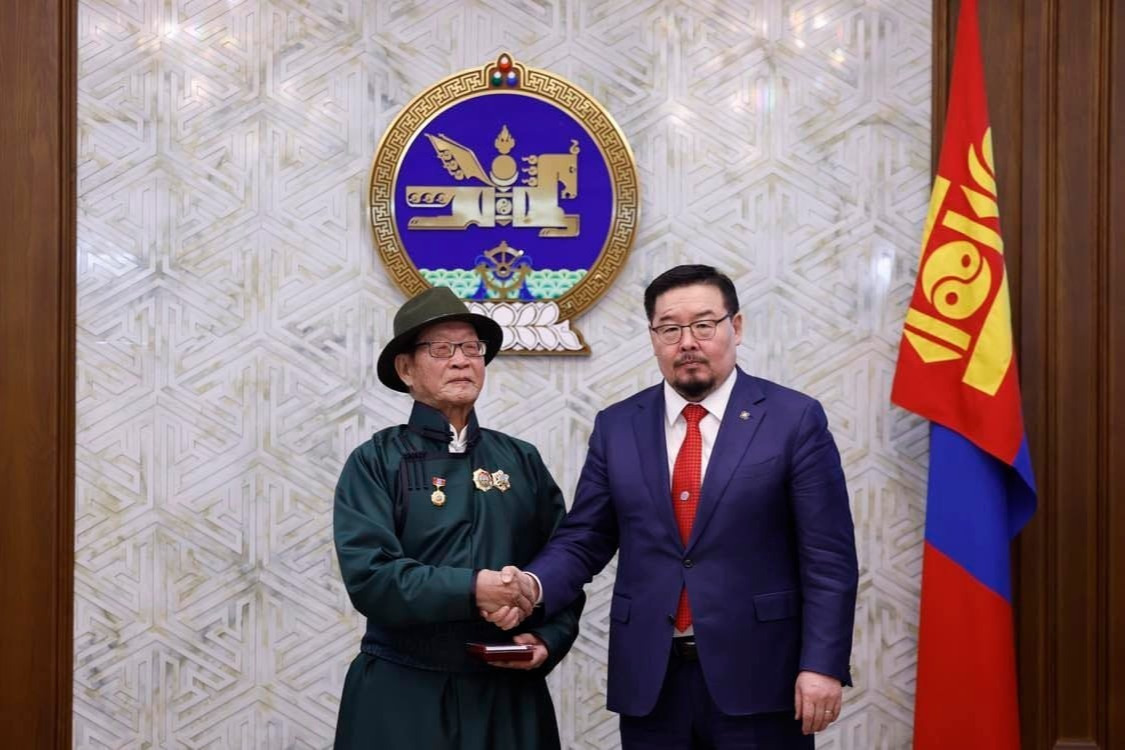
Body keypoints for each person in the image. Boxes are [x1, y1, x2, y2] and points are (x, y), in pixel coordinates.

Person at [487, 265, 858, 748]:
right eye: (670, 329)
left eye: (703, 325)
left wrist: (822, 665)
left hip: (762, 676)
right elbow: (585, 537)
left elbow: (828, 558)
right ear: (653, 337)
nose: (687, 342)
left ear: (736, 327)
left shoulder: (793, 419)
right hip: (652, 682)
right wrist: (531, 586)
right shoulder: (618, 426)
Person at [333, 286, 584, 750]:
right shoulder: (375, 461)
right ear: (406, 369)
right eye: (441, 349)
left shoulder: (520, 459)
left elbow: (565, 562)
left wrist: (548, 637)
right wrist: (474, 589)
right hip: (403, 694)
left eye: (472, 348)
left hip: (509, 693)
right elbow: (370, 577)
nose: (461, 361)